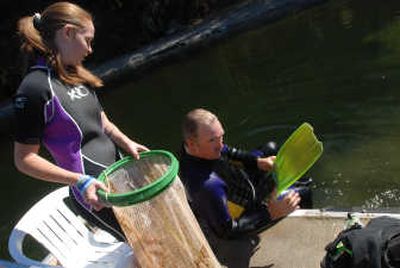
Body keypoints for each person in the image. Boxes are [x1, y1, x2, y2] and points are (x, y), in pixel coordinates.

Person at [13, 2, 148, 241]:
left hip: (118, 176)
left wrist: (126, 141)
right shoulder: (35, 88)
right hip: (95, 195)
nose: (90, 50)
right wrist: (80, 181)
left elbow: (101, 121)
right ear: (67, 33)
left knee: (154, 238)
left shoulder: (74, 74)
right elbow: (24, 160)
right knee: (145, 246)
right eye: (87, 40)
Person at [180, 108, 312, 240]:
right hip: (244, 214)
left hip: (236, 184)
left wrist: (258, 162)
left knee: (270, 148)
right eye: (212, 140)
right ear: (192, 143)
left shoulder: (192, 148)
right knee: (304, 192)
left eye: (221, 137)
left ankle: (280, 189)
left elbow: (227, 151)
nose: (220, 145)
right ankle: (301, 226)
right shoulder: (208, 186)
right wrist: (271, 213)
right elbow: (228, 231)